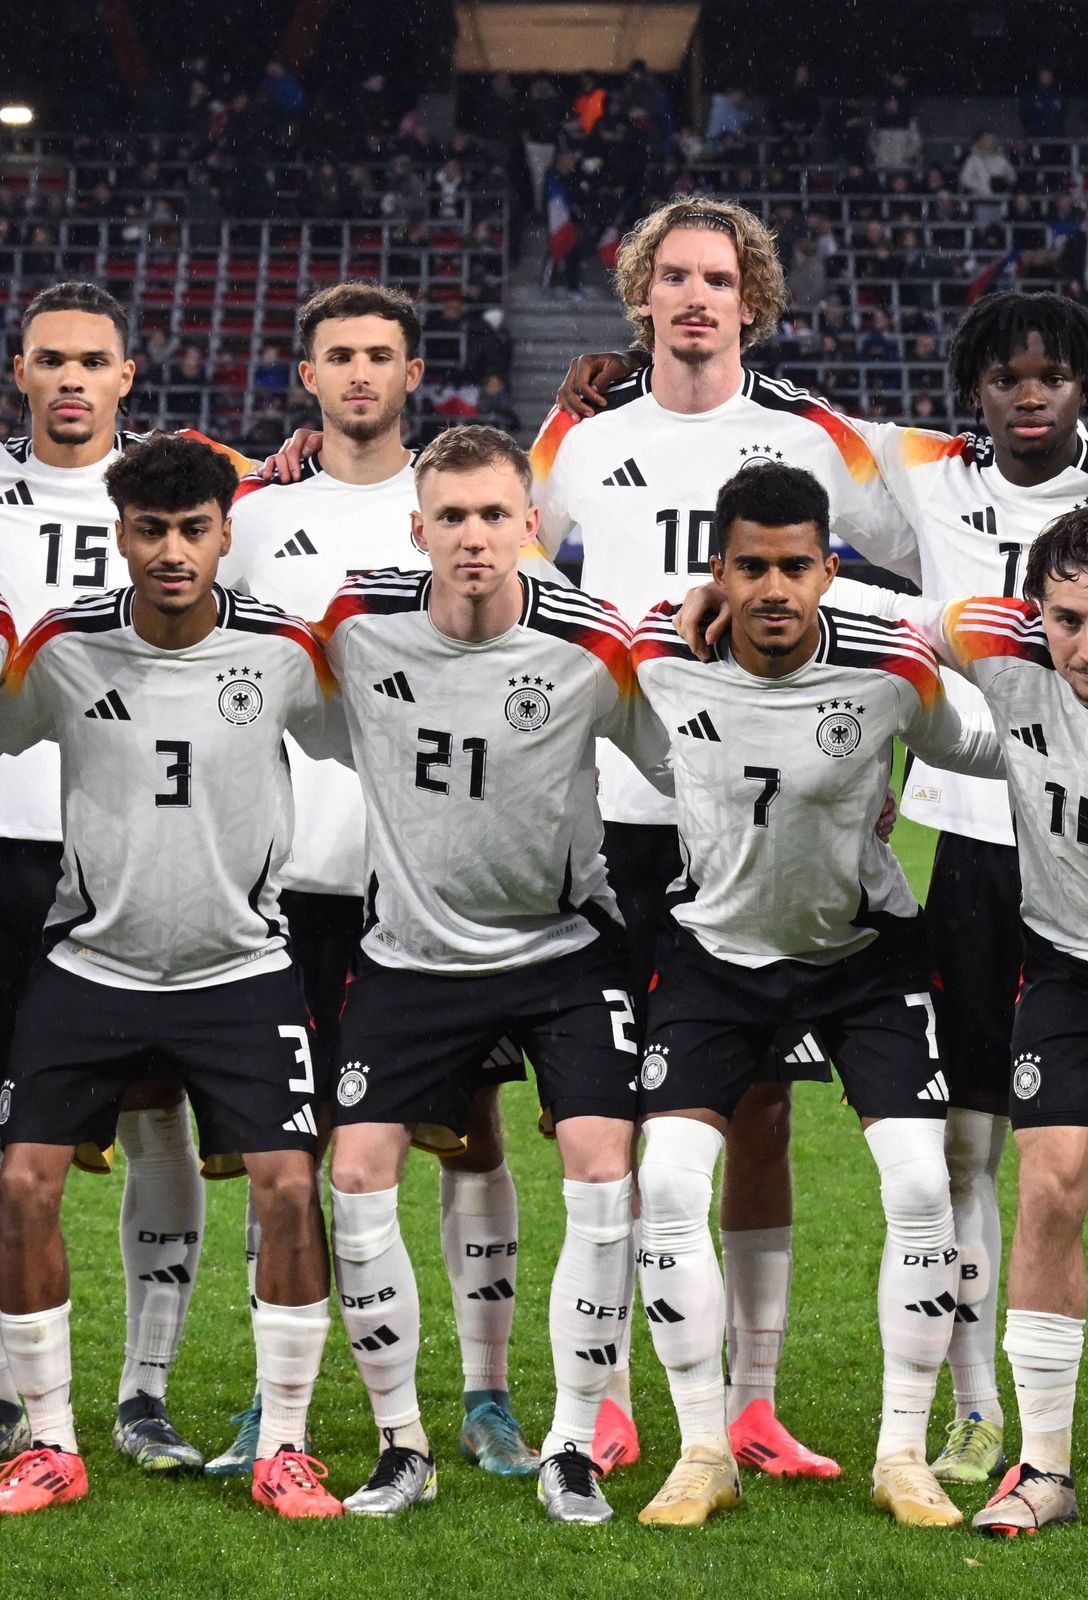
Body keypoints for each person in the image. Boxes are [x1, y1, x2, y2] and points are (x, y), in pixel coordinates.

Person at [665, 290, 1088, 1490]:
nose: (1026, 393)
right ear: (972, 384)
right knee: (969, 1140)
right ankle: (971, 1412)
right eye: (1004, 374)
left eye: (1053, 375)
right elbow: (812, 462)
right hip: (974, 846)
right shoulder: (925, 474)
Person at [531, 195, 923, 1482]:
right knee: (622, 1118)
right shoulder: (584, 437)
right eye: (675, 277)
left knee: (756, 1115)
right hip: (623, 814)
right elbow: (512, 559)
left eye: (722, 279)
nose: (698, 298)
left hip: (771, 822)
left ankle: (751, 1405)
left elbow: (917, 550)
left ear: (753, 298)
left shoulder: (808, 433)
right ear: (641, 292)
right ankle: (608, 1392)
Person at [209, 280, 559, 1479]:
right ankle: (279, 1394)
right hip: (301, 873)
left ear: (417, 374)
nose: (360, 373)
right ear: (303, 375)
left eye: (381, 355)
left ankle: (489, 1392)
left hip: (448, 882)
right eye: (338, 355)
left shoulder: (467, 506)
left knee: (472, 1137)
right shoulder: (252, 515)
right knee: (291, 1148)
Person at [630, 461, 1001, 1529]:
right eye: (751, 567)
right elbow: (557, 630)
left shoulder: (891, 669)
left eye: (798, 565)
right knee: (667, 1187)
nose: (776, 589)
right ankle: (705, 1446)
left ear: (830, 569)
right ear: (719, 571)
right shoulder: (658, 656)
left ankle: (902, 1453)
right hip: (713, 953)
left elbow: (988, 742)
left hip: (862, 957)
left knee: (923, 1186)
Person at [316, 425, 670, 1523]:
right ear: (417, 530)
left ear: (532, 526)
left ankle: (571, 1439)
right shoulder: (354, 622)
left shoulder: (592, 640)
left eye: (495, 516)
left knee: (604, 1168)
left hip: (562, 950)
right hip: (411, 955)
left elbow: (684, 756)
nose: (475, 538)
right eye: (452, 518)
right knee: (359, 1171)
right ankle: (400, 1445)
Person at [0, 434, 347, 1518]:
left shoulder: (287, 652)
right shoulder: (61, 648)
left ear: (222, 535)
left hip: (240, 966)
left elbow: (372, 727)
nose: (171, 551)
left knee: (293, 1189)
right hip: (93, 960)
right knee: (18, 1185)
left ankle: (283, 1446)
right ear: (121, 536)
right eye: (150, 530)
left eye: (193, 529)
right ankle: (50, 1442)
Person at [0, 282, 260, 1472]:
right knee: (21, 1151)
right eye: (48, 359)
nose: (68, 378)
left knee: (156, 1112)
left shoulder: (204, 489)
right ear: (20, 371)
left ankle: (142, 1393)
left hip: (127, 848)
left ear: (126, 376)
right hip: (4, 838)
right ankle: (21, 1394)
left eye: (90, 360)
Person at [899, 508, 1088, 1533]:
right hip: (1067, 965)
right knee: (1052, 1185)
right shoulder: (999, 640)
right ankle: (1047, 1468)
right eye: (1067, 619)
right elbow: (896, 623)